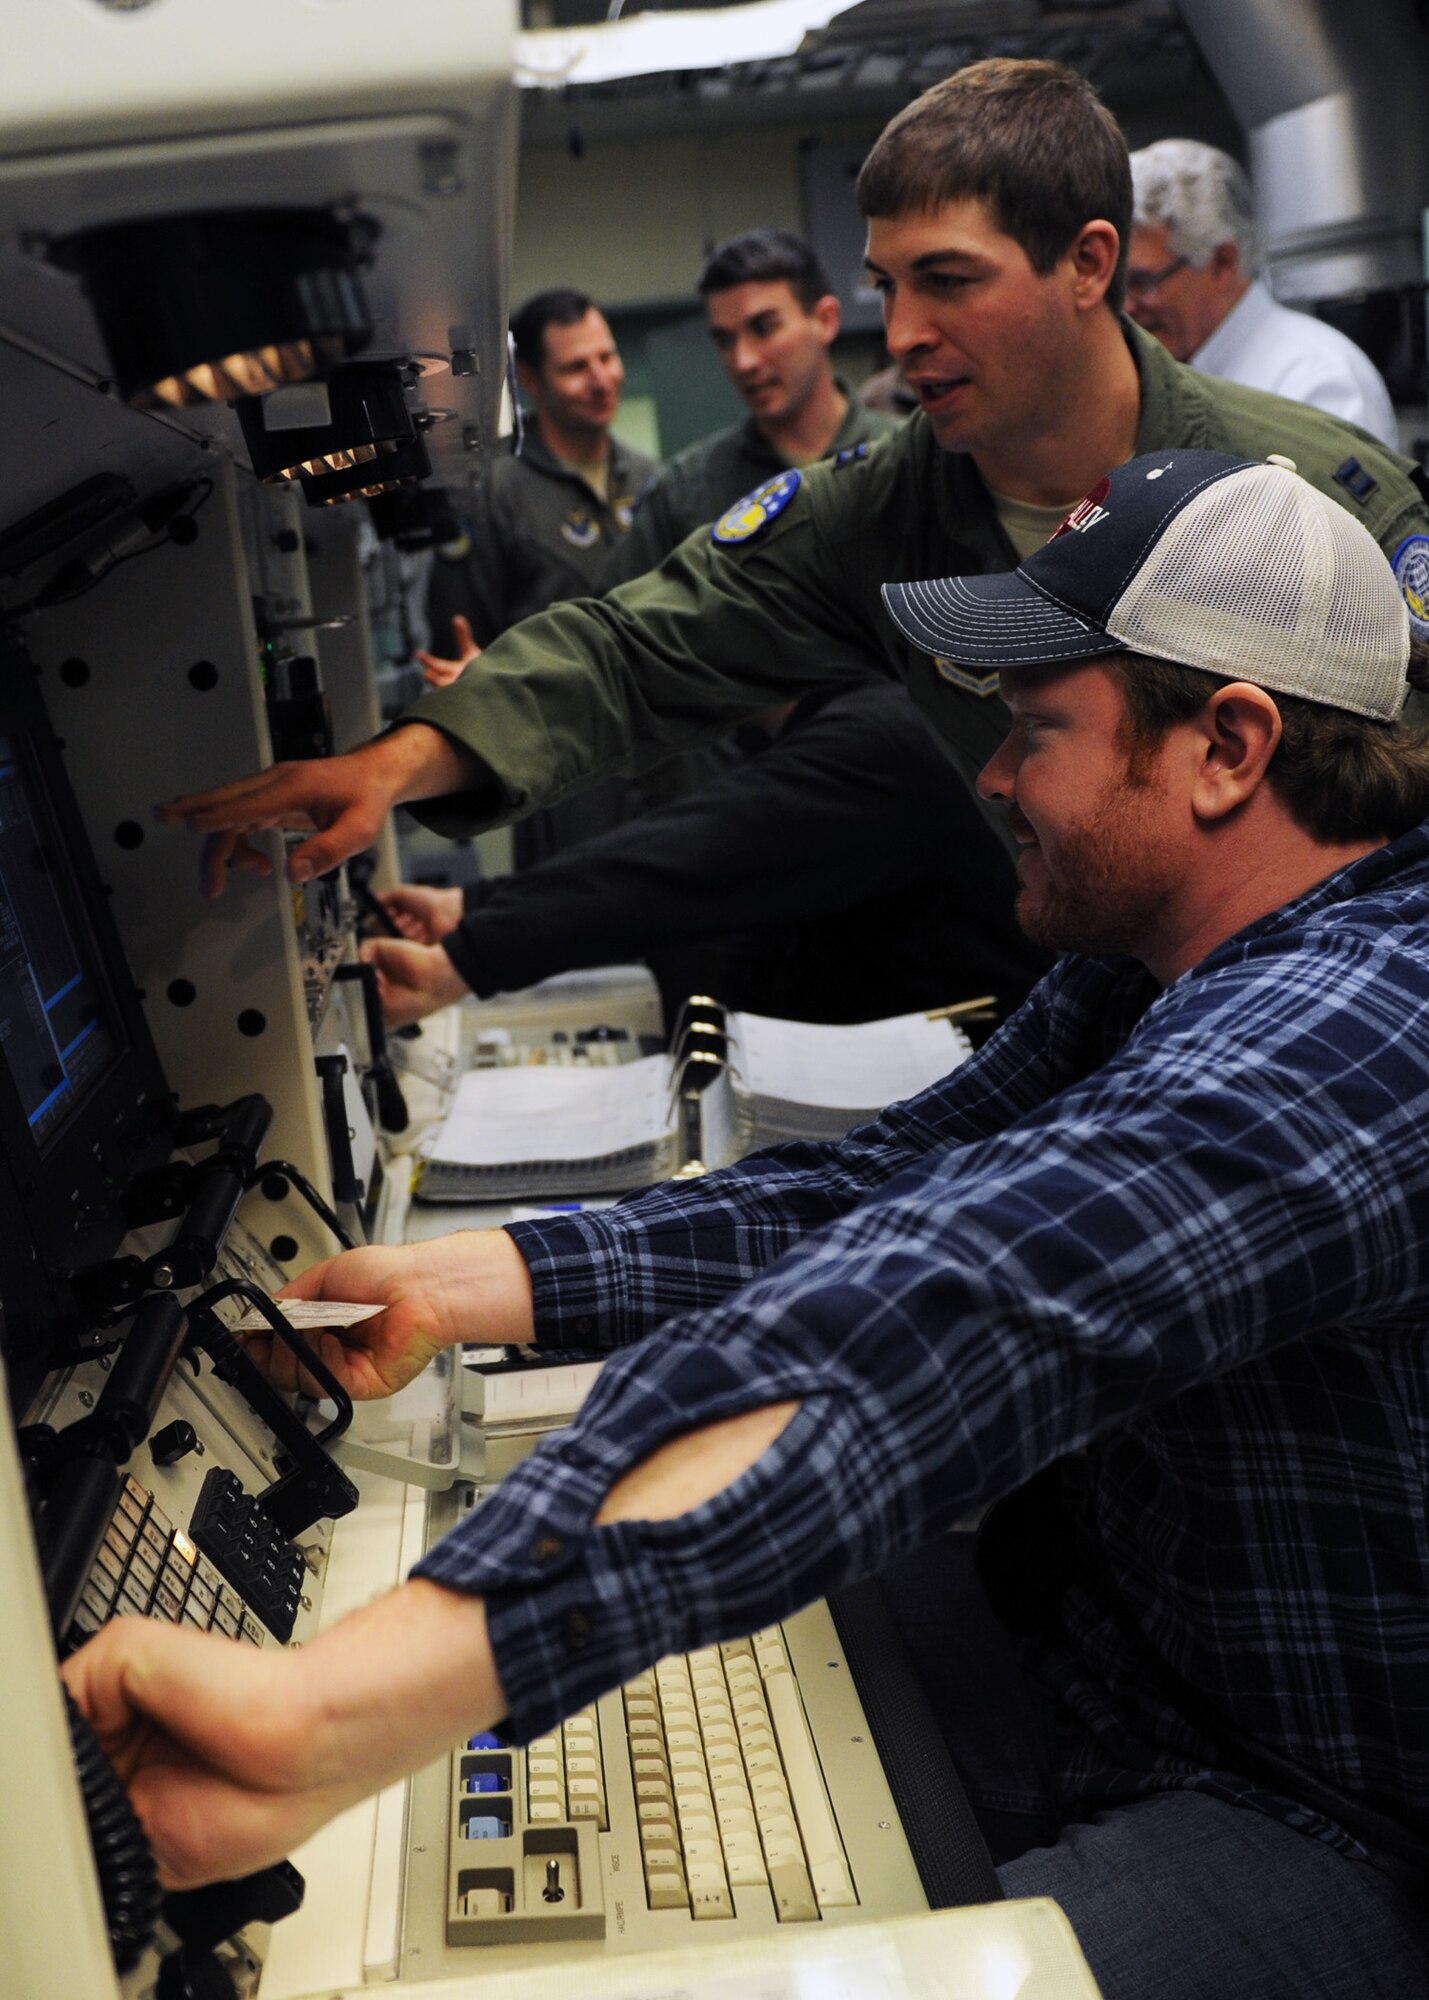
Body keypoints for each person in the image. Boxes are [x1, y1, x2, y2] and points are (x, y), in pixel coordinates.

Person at [70, 453, 1429, 1999]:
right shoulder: (1160, 962)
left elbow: (954, 1311)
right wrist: (466, 1281)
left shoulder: (1365, 1026)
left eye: (1038, 725)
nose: (989, 776)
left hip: (1330, 1809)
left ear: (1227, 747)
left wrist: (323, 1714)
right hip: (1118, 1659)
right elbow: (881, 1192)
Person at [154, 60, 1429, 904]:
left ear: (1088, 262)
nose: (906, 331)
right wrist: (407, 757)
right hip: (1101, 991)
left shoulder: (1313, 498)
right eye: (885, 287)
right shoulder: (880, 514)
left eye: (949, 279)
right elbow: (631, 650)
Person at [363, 682, 1048, 1030]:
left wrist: (467, 956)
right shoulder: (868, 724)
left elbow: (681, 866)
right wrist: (470, 910)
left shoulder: (877, 743)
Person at [423, 287, 657, 865]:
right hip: (565, 771)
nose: (601, 378)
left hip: (666, 758)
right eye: (577, 366)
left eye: (607, 357)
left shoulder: (652, 479)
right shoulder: (494, 494)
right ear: (530, 379)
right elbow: (459, 645)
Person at [599, 229, 903, 590]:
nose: (743, 361)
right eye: (725, 341)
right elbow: (616, 620)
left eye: (764, 328)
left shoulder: (902, 455)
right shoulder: (687, 492)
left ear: (825, 321)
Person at [1127, 138, 1398, 447]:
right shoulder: (1172, 374)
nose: (1127, 306)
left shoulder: (1318, 381)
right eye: (1117, 285)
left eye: (1142, 281)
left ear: (1223, 263)